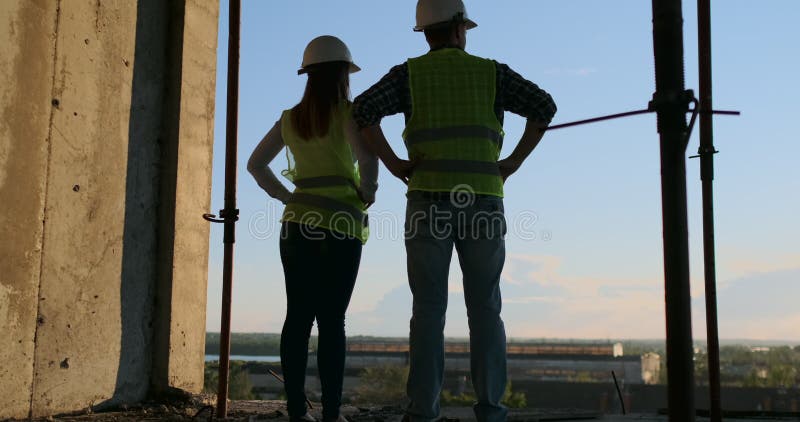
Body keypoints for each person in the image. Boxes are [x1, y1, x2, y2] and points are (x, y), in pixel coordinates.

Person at [352, 1, 556, 421]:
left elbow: (363, 111)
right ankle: (492, 411)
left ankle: (423, 413)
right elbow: (544, 107)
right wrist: (513, 161)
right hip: (482, 199)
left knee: (428, 310)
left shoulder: (408, 74)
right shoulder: (492, 73)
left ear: (425, 33)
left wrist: (394, 165)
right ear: (461, 28)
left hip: (427, 200)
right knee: (485, 309)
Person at [248, 35, 378, 422]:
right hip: (342, 225)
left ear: (308, 75)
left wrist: (287, 197)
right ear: (343, 74)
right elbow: (367, 158)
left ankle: (294, 412)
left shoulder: (290, 119)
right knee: (332, 320)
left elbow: (256, 164)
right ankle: (332, 414)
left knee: (298, 317)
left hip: (297, 225)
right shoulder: (347, 113)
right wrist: (367, 192)